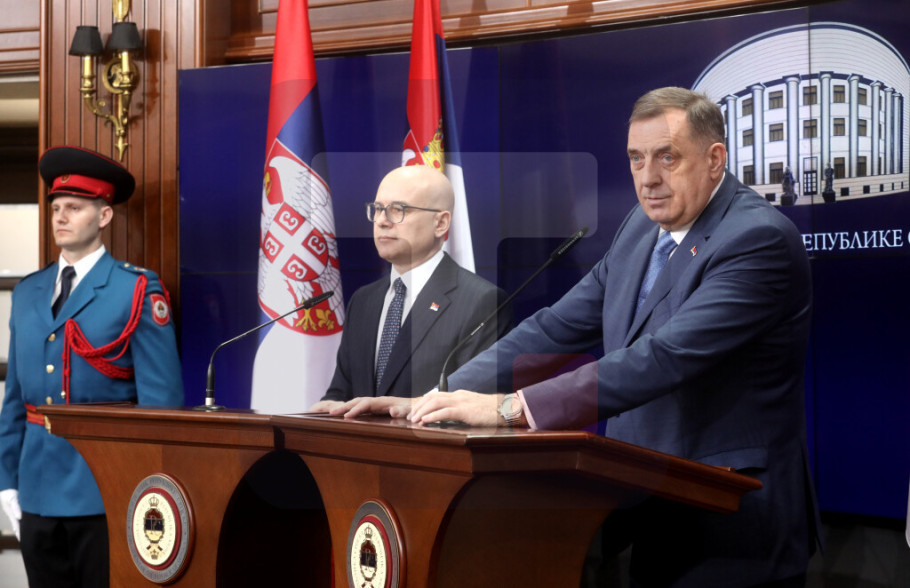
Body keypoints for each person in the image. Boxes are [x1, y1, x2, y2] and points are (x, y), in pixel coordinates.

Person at [333, 88, 820, 587]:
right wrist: (436, 396)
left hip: (733, 526)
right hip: (649, 507)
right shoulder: (641, 227)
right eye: (636, 158)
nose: (648, 178)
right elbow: (554, 327)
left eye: (667, 157)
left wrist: (512, 408)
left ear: (715, 159)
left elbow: (663, 357)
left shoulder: (756, 239)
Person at [0, 146, 184, 587]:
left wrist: (146, 489)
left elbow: (161, 405)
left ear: (104, 216)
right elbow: (15, 402)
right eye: (56, 208)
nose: (61, 217)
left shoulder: (135, 289)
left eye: (75, 208)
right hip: (35, 488)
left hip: (106, 489)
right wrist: (6, 481)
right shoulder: (27, 293)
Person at [309, 165, 510, 410]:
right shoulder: (363, 301)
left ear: (441, 223)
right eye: (377, 209)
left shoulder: (481, 302)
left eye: (398, 210)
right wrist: (327, 409)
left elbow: (474, 405)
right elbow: (342, 393)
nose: (382, 221)